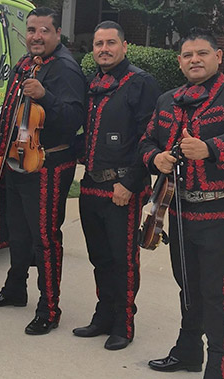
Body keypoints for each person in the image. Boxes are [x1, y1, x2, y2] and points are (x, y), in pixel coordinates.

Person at [0, 7, 85, 336]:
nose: (36, 36)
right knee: (18, 230)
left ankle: (49, 308)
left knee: (45, 237)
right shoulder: (26, 63)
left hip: (48, 163)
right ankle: (15, 289)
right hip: (17, 158)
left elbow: (74, 120)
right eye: (31, 30)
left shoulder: (66, 69)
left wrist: (47, 97)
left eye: (44, 31)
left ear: (57, 34)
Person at [139, 28, 224, 378]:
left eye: (202, 53)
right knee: (186, 283)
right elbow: (146, 141)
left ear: (219, 56)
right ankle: (188, 351)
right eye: (188, 55)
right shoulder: (167, 100)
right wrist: (154, 158)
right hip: (179, 210)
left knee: (216, 292)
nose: (195, 60)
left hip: (218, 212)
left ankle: (217, 363)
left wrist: (212, 149)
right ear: (179, 61)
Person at [73, 21, 160, 350]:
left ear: (125, 47)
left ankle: (124, 323)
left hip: (122, 189)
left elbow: (148, 137)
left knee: (123, 259)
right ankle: (103, 315)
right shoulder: (93, 83)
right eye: (98, 44)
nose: (104, 49)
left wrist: (130, 181)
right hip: (91, 185)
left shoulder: (140, 83)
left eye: (111, 43)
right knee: (100, 258)